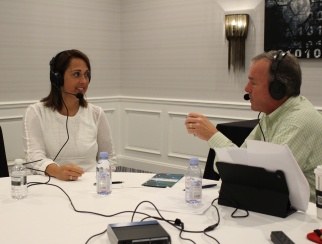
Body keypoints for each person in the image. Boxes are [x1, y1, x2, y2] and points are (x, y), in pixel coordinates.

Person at [185, 50, 322, 202]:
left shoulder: (298, 121)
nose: (247, 88)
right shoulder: (272, 115)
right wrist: (213, 137)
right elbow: (237, 168)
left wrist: (213, 135)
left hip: (309, 218)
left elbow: (264, 183)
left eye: (253, 82)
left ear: (277, 89)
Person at [22, 49, 116, 181]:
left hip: (92, 188)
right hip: (52, 185)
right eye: (76, 74)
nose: (84, 81)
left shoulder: (96, 113)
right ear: (57, 78)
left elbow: (109, 157)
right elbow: (33, 157)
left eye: (87, 74)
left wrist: (101, 183)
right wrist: (57, 171)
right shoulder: (35, 113)